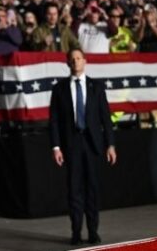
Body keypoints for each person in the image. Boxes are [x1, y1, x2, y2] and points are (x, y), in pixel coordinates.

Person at [49, 49, 118, 245]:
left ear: (85, 61)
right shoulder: (59, 89)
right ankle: (76, 232)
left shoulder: (96, 87)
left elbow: (106, 118)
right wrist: (56, 147)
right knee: (74, 190)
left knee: (93, 189)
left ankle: (93, 231)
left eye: (78, 58)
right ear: (68, 63)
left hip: (93, 144)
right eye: (72, 59)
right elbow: (54, 121)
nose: (75, 62)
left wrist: (110, 145)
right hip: (71, 145)